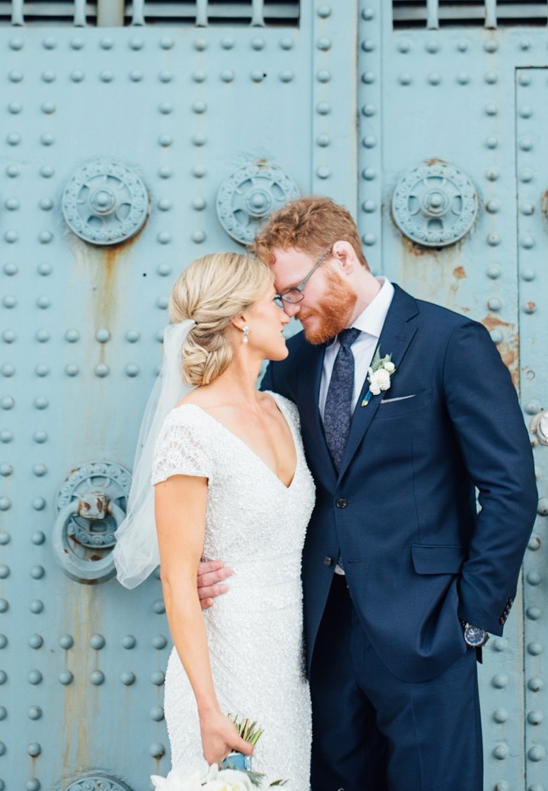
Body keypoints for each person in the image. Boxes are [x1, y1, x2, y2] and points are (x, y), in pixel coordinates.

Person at [199, 196, 539, 791]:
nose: (287, 309)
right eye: (281, 299)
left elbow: (510, 488)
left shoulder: (449, 342)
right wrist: (207, 560)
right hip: (318, 640)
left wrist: (471, 620)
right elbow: (268, 486)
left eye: (294, 291)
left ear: (342, 258)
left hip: (428, 631)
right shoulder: (291, 363)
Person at [114, 252, 316, 785]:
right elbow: (178, 580)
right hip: (224, 664)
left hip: (290, 668)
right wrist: (208, 708)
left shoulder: (286, 413)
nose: (287, 313)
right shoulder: (189, 429)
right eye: (275, 301)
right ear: (242, 319)